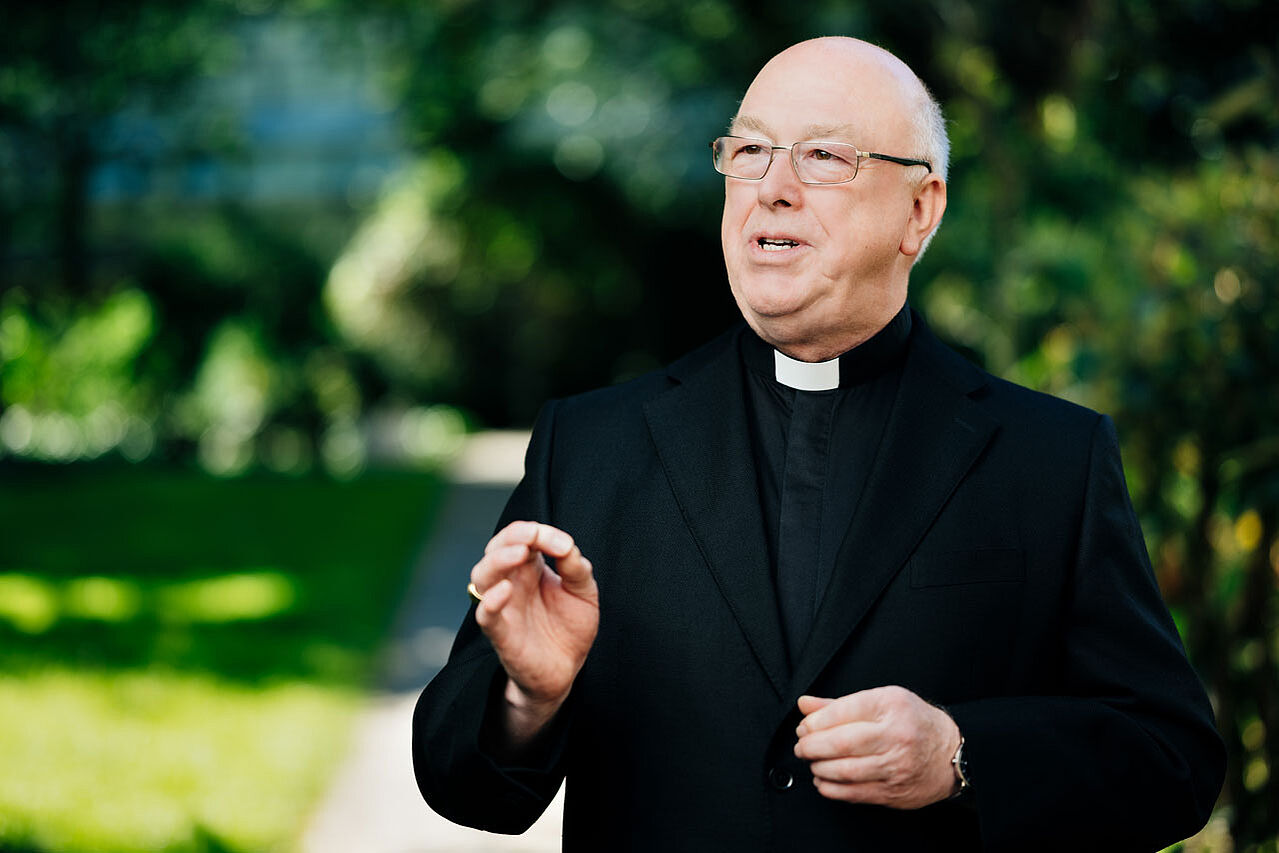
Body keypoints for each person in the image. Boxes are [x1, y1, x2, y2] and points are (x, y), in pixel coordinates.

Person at [412, 36, 1224, 851]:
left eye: (824, 157)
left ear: (919, 211)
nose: (772, 188)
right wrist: (528, 697)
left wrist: (960, 755)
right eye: (750, 151)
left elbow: (1172, 758)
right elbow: (461, 784)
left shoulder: (1050, 459)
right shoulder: (590, 445)